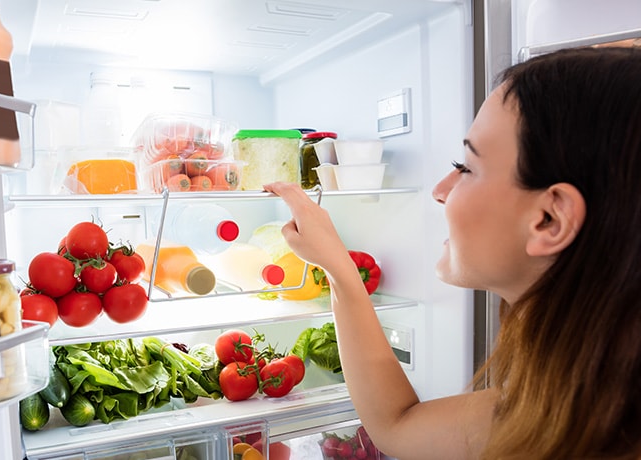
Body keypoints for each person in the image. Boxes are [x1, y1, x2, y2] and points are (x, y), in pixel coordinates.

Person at [264, 46, 641, 459]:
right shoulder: (578, 402)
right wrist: (338, 269)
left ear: (549, 219)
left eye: (467, 167)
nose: (441, 190)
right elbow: (398, 425)